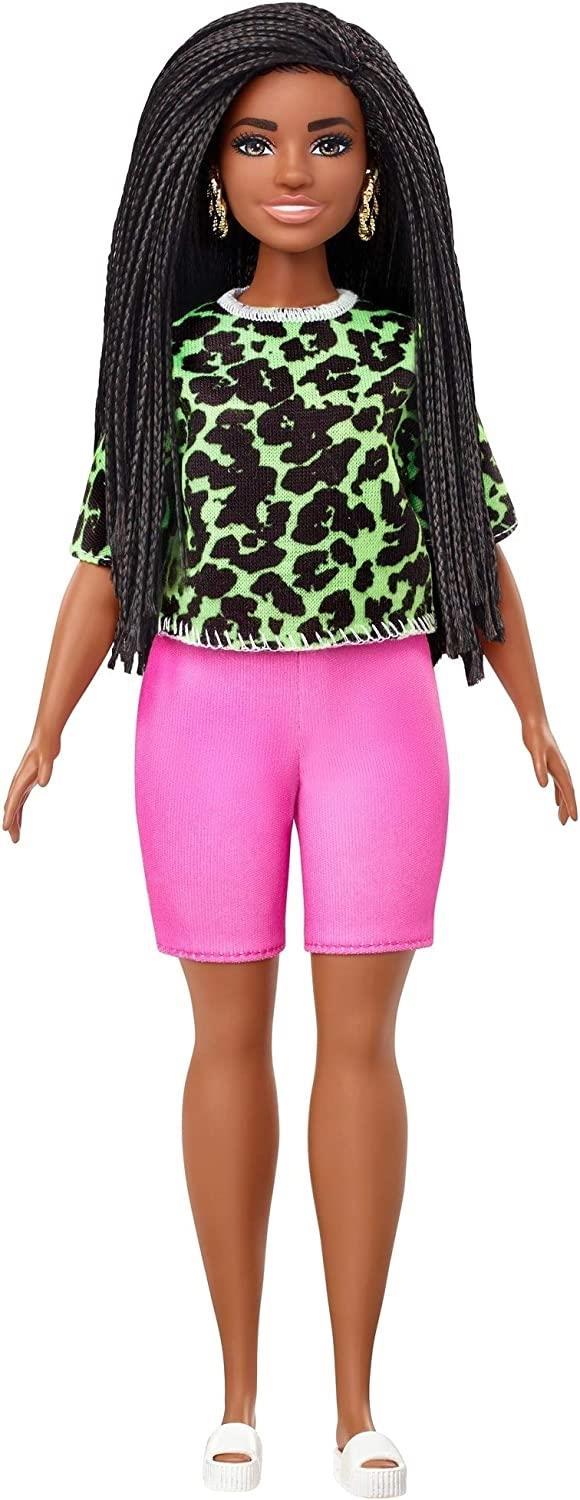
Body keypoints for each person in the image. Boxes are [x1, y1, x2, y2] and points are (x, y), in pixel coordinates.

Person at [3, 6, 577, 1495]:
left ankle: (360, 1400)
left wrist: (532, 709)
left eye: (329, 139)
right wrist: (46, 722)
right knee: (225, 1038)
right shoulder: (173, 362)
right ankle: (237, 1390)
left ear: (377, 168)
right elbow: (109, 555)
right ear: (208, 169)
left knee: (366, 1043)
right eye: (257, 141)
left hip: (380, 704)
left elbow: (474, 547)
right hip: (206, 710)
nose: (294, 170)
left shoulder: (404, 357)